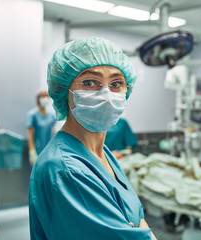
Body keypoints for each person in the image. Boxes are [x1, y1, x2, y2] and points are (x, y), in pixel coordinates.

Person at [29, 37, 157, 240]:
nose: (106, 94)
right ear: (64, 90)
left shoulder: (101, 153)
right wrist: (139, 229)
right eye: (90, 82)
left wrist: (139, 229)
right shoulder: (65, 169)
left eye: (116, 83)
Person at [26, 91, 56, 165]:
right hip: (37, 150)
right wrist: (32, 151)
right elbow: (30, 136)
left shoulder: (51, 115)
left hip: (49, 150)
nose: (46, 99)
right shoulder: (32, 115)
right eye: (43, 97)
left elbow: (54, 132)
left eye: (47, 97)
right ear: (38, 99)